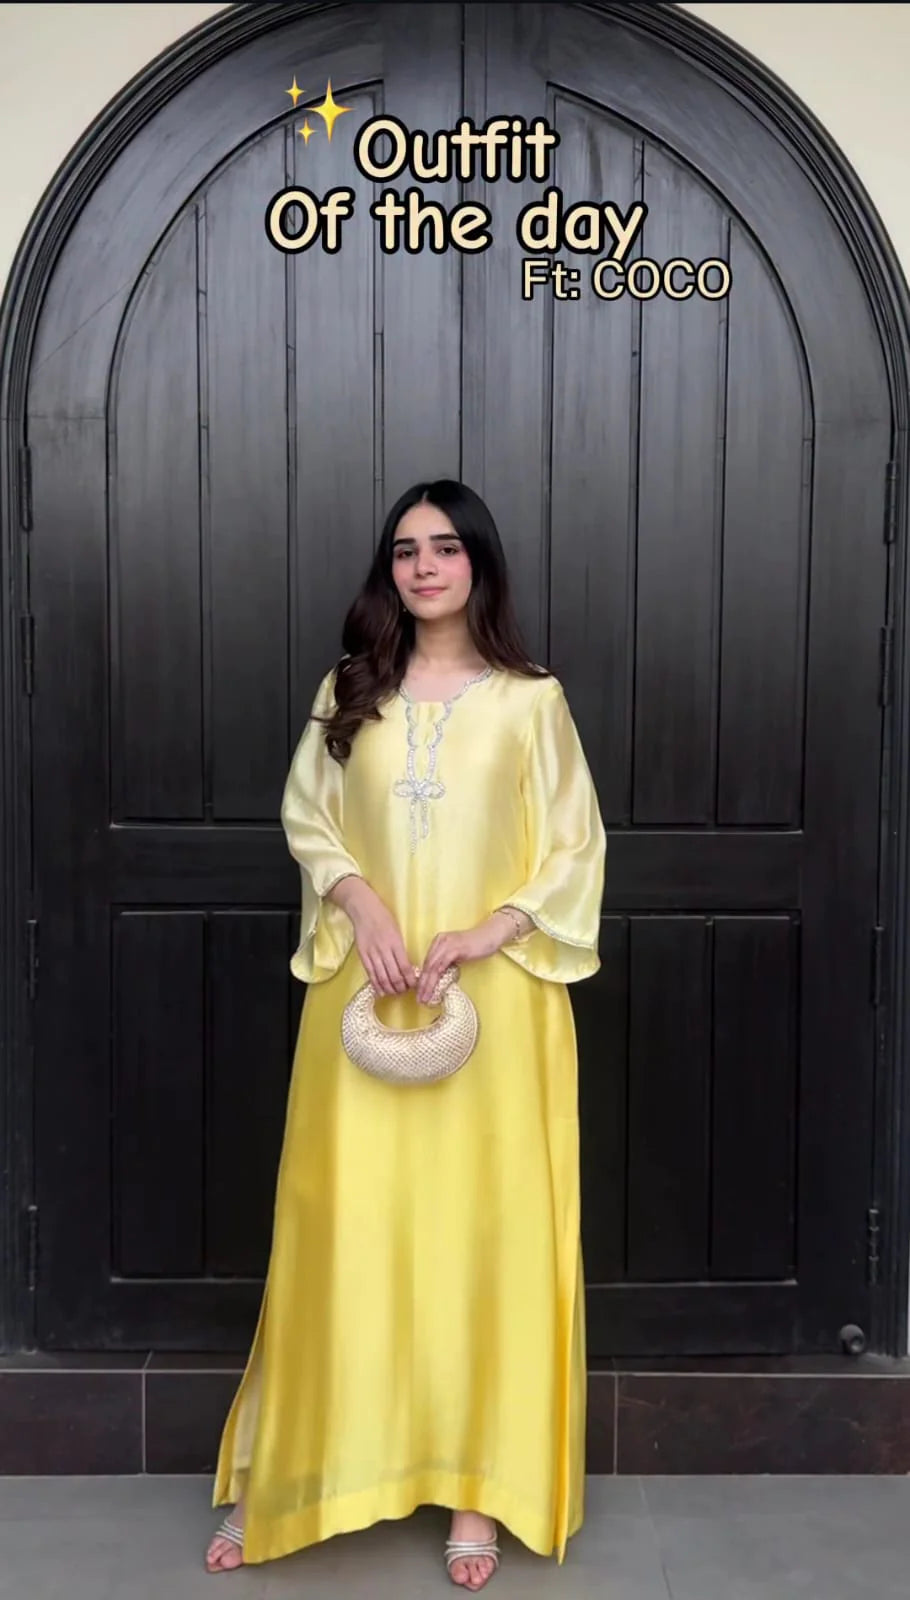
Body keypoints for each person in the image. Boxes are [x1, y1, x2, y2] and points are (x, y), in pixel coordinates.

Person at [204, 479, 606, 1590]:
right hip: (365, 996)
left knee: (485, 1236)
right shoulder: (351, 691)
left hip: (497, 1008)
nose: (424, 566)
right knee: (344, 1228)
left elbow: (574, 845)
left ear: (479, 562)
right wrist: (361, 903)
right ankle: (291, 1472)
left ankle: (479, 1489)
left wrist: (488, 929)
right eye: (404, 550)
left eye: (445, 547)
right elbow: (309, 816)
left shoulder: (531, 701)